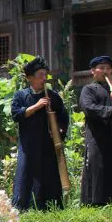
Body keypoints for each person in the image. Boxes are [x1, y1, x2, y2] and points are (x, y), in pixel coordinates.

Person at [11, 57, 69, 211]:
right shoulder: (21, 96)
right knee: (26, 175)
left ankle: (50, 207)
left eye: (45, 75)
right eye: (40, 75)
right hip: (28, 145)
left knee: (48, 175)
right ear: (30, 78)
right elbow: (16, 115)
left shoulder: (53, 96)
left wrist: (60, 130)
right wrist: (36, 106)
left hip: (47, 145)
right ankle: (23, 208)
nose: (44, 79)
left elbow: (63, 117)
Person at [79, 55, 112, 206]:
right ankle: (96, 203)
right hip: (98, 138)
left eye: (108, 69)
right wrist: (109, 110)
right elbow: (88, 108)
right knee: (99, 167)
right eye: (101, 68)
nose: (105, 71)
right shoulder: (88, 89)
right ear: (93, 71)